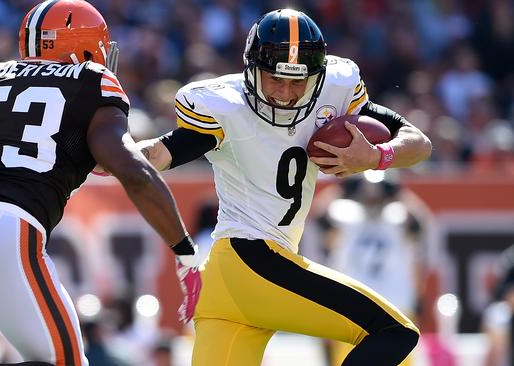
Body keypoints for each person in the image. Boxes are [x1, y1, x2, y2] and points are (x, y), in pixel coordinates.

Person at [135, 8, 432, 366]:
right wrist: (115, 154)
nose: (286, 94)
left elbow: (419, 143)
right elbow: (163, 151)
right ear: (252, 70)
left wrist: (376, 157)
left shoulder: (334, 92)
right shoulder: (226, 106)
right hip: (252, 262)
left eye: (297, 82)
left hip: (227, 288)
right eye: (275, 79)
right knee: (394, 332)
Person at [0, 1, 200, 365]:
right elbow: (133, 171)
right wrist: (185, 252)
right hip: (7, 228)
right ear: (83, 46)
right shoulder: (92, 83)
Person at [314, 173, 429, 366]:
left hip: (373, 306)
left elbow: (319, 214)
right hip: (365, 307)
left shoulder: (395, 216)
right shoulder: (349, 214)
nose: (372, 197)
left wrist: (343, 188)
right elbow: (319, 217)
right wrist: (399, 192)